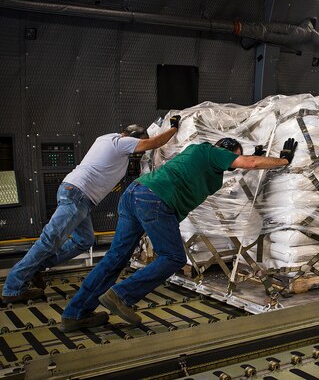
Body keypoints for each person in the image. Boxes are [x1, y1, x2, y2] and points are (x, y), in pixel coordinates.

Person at [60, 137, 298, 332]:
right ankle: (121, 296)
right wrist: (283, 160)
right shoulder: (211, 151)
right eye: (234, 157)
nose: (231, 164)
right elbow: (250, 163)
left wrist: (256, 155)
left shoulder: (198, 154)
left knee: (115, 258)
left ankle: (75, 314)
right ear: (229, 151)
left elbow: (242, 165)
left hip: (135, 194)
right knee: (172, 257)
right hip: (155, 200)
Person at [1, 116, 181, 304]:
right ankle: (13, 288)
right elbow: (155, 143)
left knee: (84, 240)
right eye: (138, 142)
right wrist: (174, 127)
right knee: (49, 240)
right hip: (78, 195)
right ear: (133, 137)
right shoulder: (120, 143)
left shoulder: (107, 139)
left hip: (78, 195)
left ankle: (36, 266)